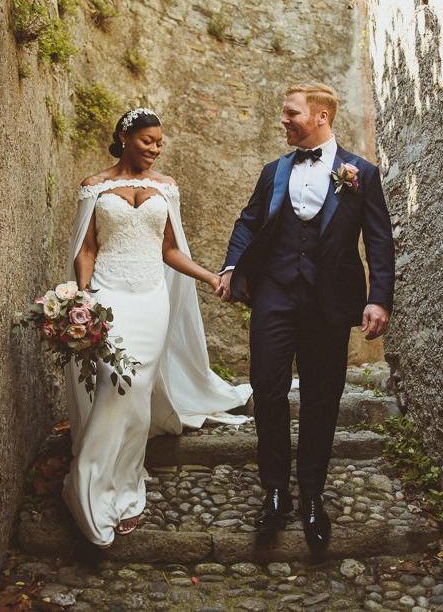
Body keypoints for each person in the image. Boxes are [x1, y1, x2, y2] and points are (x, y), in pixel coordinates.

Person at [216, 83, 394, 554]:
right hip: (274, 295)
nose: (284, 121)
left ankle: (312, 493)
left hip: (330, 304)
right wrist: (233, 267)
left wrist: (379, 298)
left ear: (320, 116)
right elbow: (248, 222)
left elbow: (378, 240)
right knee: (267, 389)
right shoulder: (274, 171)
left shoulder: (361, 174)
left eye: (291, 113)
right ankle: (275, 490)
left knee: (322, 398)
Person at [63, 108, 251, 547]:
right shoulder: (94, 186)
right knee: (113, 381)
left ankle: (126, 480)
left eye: (159, 142)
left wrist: (208, 277)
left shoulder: (166, 188)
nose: (155, 148)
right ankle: (88, 481)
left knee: (138, 388)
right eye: (148, 140)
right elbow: (86, 247)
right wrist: (83, 295)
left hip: (151, 298)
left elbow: (171, 249)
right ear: (124, 137)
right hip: (107, 295)